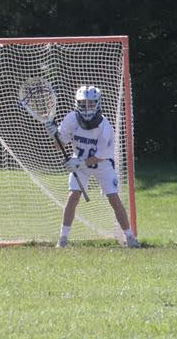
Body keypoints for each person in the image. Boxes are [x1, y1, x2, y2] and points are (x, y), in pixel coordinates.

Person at [45, 85, 139, 248]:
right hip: (79, 163)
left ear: (97, 103)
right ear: (77, 103)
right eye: (83, 103)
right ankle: (63, 239)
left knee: (113, 198)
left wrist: (79, 163)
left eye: (91, 104)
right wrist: (54, 135)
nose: (87, 108)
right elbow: (59, 146)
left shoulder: (105, 127)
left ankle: (130, 237)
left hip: (102, 165)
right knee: (73, 196)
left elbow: (101, 156)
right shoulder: (71, 119)